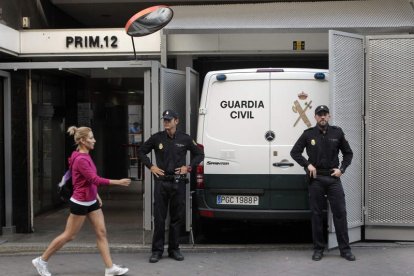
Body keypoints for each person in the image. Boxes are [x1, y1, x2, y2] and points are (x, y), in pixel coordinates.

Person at [32, 126, 131, 276]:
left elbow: (87, 180)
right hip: (80, 202)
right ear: (83, 141)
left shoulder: (84, 155)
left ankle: (110, 268)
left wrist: (95, 194)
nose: (94, 140)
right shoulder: (81, 159)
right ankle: (42, 260)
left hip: (91, 200)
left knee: (101, 232)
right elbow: (94, 179)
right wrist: (119, 182)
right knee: (69, 235)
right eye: (91, 138)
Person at [290, 105, 356, 262]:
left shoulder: (337, 132)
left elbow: (348, 153)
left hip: (333, 179)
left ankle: (345, 250)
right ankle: (318, 249)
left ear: (329, 116)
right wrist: (307, 165)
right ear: (315, 117)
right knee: (317, 215)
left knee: (340, 214)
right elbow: (295, 152)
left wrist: (342, 169)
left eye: (325, 114)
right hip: (316, 179)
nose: (322, 117)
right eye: (320, 115)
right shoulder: (308, 134)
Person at [137, 109, 204, 263]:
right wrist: (151, 166)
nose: (166, 122)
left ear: (176, 121)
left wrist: (188, 168)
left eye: (169, 119)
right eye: (164, 120)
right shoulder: (157, 138)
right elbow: (141, 151)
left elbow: (200, 154)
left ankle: (174, 249)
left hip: (178, 182)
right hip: (161, 183)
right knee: (160, 218)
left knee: (176, 218)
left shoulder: (185, 139)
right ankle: (157, 251)